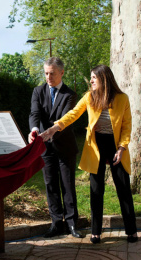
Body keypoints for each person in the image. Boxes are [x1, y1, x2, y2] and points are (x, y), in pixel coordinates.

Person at [41, 64, 138, 244]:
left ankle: (131, 231)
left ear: (104, 79)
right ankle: (96, 232)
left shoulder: (122, 98)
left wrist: (122, 148)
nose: (91, 80)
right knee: (96, 189)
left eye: (94, 77)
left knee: (123, 188)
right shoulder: (89, 97)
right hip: (95, 145)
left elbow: (126, 127)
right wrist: (54, 128)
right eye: (91, 77)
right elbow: (73, 114)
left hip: (116, 146)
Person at [28, 57, 82, 238]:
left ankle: (73, 223)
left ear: (62, 73)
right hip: (45, 148)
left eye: (52, 73)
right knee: (50, 184)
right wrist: (34, 130)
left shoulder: (70, 95)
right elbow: (34, 113)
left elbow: (64, 121)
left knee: (67, 185)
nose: (48, 77)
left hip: (64, 146)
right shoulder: (38, 91)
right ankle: (56, 223)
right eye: (45, 73)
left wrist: (49, 133)